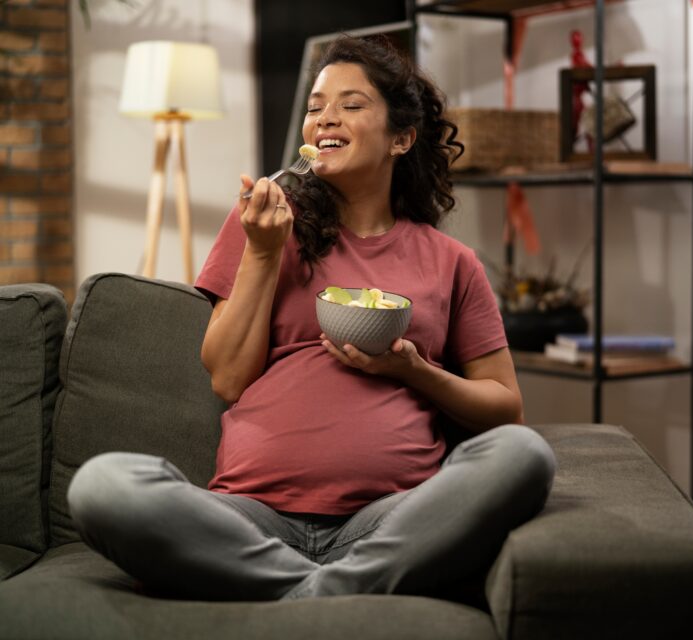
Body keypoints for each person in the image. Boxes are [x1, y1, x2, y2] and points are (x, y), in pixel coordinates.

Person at [67, 35, 556, 602]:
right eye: (316, 106)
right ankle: (341, 589)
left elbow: (506, 410)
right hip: (249, 516)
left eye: (351, 104)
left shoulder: (452, 263)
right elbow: (227, 377)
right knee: (104, 485)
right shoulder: (264, 228)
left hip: (389, 518)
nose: (326, 118)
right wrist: (263, 252)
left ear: (401, 138)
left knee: (524, 456)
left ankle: (287, 587)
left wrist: (415, 372)